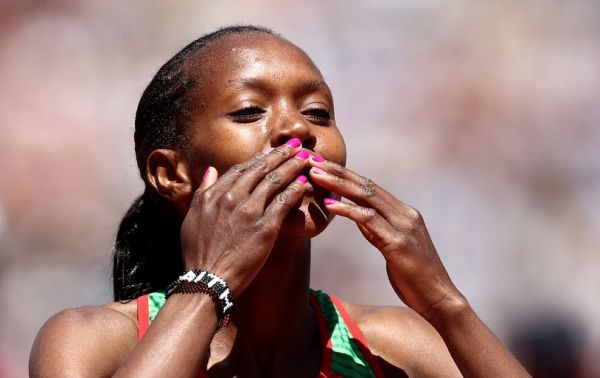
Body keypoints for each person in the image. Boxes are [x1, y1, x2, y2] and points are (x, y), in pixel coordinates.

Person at [29, 25, 529, 377]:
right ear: (171, 174)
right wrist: (209, 284)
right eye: (249, 112)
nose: (296, 130)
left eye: (318, 111)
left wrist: (446, 304)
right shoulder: (94, 342)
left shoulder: (390, 346)